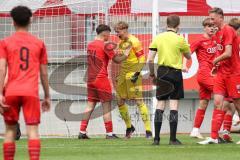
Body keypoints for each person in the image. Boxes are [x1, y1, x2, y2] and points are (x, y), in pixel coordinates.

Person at [0, 5, 50, 160]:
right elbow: (43, 72)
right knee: (33, 131)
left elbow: (2, 69)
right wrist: (47, 96)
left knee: (9, 131)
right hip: (31, 92)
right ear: (30, 21)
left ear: (13, 22)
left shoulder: (5, 42)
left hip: (11, 91)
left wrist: (0, 93)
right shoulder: (39, 43)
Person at [78, 24, 131, 139]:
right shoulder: (105, 45)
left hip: (90, 79)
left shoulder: (90, 45)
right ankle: (109, 133)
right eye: (109, 33)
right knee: (106, 105)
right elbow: (116, 60)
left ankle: (82, 132)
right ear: (105, 33)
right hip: (101, 79)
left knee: (90, 105)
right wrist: (126, 54)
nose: (110, 35)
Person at [198, 7, 240, 145]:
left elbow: (228, 53)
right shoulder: (216, 33)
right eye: (210, 18)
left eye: (212, 18)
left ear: (220, 17)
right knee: (217, 103)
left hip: (233, 73)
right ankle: (214, 137)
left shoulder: (228, 30)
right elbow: (219, 53)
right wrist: (216, 66)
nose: (211, 21)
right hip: (221, 73)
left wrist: (215, 61)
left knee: (238, 103)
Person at [148, 15, 191, 145]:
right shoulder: (180, 39)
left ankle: (156, 139)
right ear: (178, 25)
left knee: (160, 104)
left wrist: (152, 74)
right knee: (174, 106)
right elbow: (188, 56)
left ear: (166, 24)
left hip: (161, 72)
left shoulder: (158, 38)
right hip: (175, 73)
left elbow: (150, 59)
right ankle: (172, 139)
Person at [114, 21, 152, 139]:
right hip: (123, 74)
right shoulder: (120, 43)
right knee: (120, 101)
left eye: (118, 32)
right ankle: (129, 127)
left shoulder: (134, 41)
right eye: (116, 32)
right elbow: (122, 59)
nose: (117, 34)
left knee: (139, 101)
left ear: (125, 30)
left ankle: (148, 131)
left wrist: (137, 72)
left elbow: (142, 58)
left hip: (133, 74)